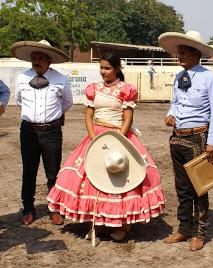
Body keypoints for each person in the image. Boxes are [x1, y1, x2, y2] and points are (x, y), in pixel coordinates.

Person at [47, 53, 165, 241]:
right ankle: (97, 224)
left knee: (122, 179)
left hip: (119, 136)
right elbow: (88, 116)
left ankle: (124, 226)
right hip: (96, 138)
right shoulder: (93, 89)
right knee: (94, 180)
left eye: (107, 68)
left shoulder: (126, 90)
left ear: (117, 69)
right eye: (101, 67)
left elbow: (128, 118)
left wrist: (118, 139)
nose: (103, 71)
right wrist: (94, 138)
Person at [158, 31, 213, 251]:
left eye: (184, 52)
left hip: (198, 137)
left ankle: (200, 231)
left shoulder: (209, 77)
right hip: (178, 137)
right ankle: (184, 227)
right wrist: (170, 114)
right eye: (179, 53)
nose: (180, 56)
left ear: (196, 53)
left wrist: (212, 142)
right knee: (182, 187)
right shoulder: (178, 77)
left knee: (200, 187)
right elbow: (175, 103)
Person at [12, 39, 73, 226]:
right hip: (28, 131)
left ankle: (54, 208)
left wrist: (53, 117)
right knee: (29, 171)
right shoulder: (22, 78)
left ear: (49, 60)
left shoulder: (60, 79)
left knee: (53, 172)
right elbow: (19, 100)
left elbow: (67, 102)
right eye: (34, 58)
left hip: (52, 132)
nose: (36, 61)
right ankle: (28, 208)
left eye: (40, 58)